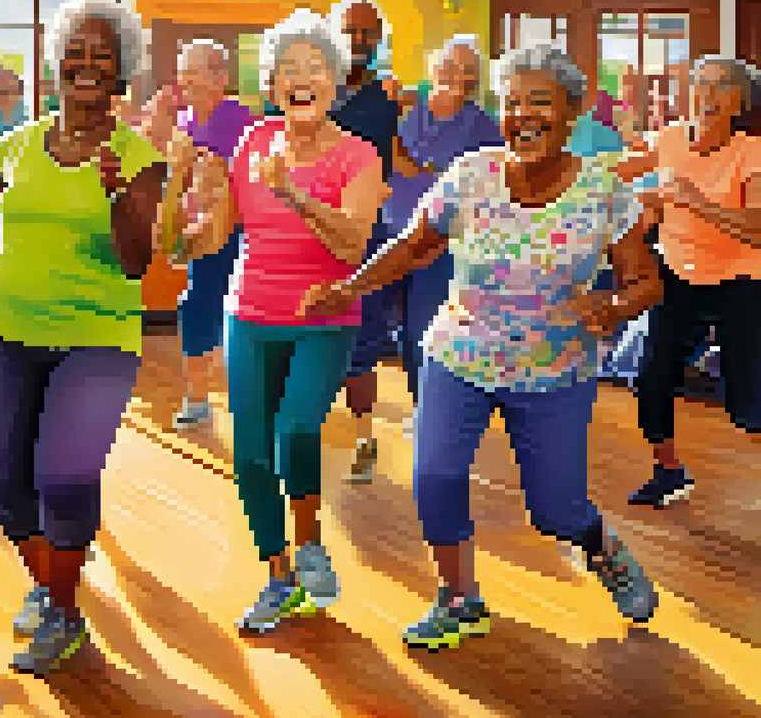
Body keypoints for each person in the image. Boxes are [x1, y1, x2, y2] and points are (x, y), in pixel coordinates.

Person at [300, 45, 663, 649]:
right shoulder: (472, 174)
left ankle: (601, 548)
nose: (523, 115)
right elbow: (418, 246)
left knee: (557, 511)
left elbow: (644, 279)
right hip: (459, 354)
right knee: (435, 475)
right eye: (512, 102)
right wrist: (351, 287)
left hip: (555, 370)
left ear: (573, 112)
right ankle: (459, 598)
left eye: (539, 102)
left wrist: (616, 307)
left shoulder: (602, 193)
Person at [0, 0, 166, 676]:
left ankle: (64, 609)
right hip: (2, 329)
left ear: (122, 69)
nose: (85, 63)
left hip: (97, 334)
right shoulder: (19, 143)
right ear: (54, 64)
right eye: (74, 50)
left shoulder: (139, 156)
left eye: (101, 54)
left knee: (67, 476)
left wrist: (115, 193)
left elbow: (137, 260)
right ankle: (54, 591)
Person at [175, 10, 385, 635]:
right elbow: (219, 232)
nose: (301, 79)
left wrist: (293, 193)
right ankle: (278, 576)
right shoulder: (250, 142)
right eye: (287, 69)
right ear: (269, 85)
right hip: (250, 312)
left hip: (324, 315)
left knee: (298, 428)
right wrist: (190, 210)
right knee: (252, 456)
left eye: (314, 67)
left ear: (336, 81)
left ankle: (312, 539)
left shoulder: (359, 155)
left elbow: (353, 245)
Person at [348, 35, 504, 483]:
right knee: (367, 330)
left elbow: (488, 180)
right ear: (432, 66)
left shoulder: (481, 124)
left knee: (423, 334)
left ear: (475, 79)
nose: (457, 75)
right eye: (449, 65)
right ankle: (363, 434)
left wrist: (425, 169)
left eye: (466, 69)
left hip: (439, 243)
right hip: (386, 232)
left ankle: (426, 419)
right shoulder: (402, 106)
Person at [618, 56, 761, 507]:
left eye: (720, 86)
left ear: (739, 101)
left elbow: (756, 228)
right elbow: (620, 174)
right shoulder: (671, 139)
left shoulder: (751, 152)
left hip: (741, 281)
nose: (707, 93)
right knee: (651, 378)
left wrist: (698, 203)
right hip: (678, 276)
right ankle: (668, 471)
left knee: (747, 402)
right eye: (700, 83)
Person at [327, 0, 410, 481]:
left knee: (363, 343)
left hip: (368, 237)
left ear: (379, 39)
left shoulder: (391, 97)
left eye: (368, 32)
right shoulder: (306, 91)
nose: (359, 40)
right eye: (350, 30)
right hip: (310, 238)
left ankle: (363, 440)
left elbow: (411, 155)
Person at [161, 40, 258, 432]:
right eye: (182, 70)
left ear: (219, 79)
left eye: (193, 71)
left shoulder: (240, 120)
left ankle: (251, 404)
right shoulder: (184, 120)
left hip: (241, 237)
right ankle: (198, 400)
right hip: (203, 238)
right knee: (197, 307)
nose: (183, 79)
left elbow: (252, 183)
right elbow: (179, 180)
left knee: (242, 316)